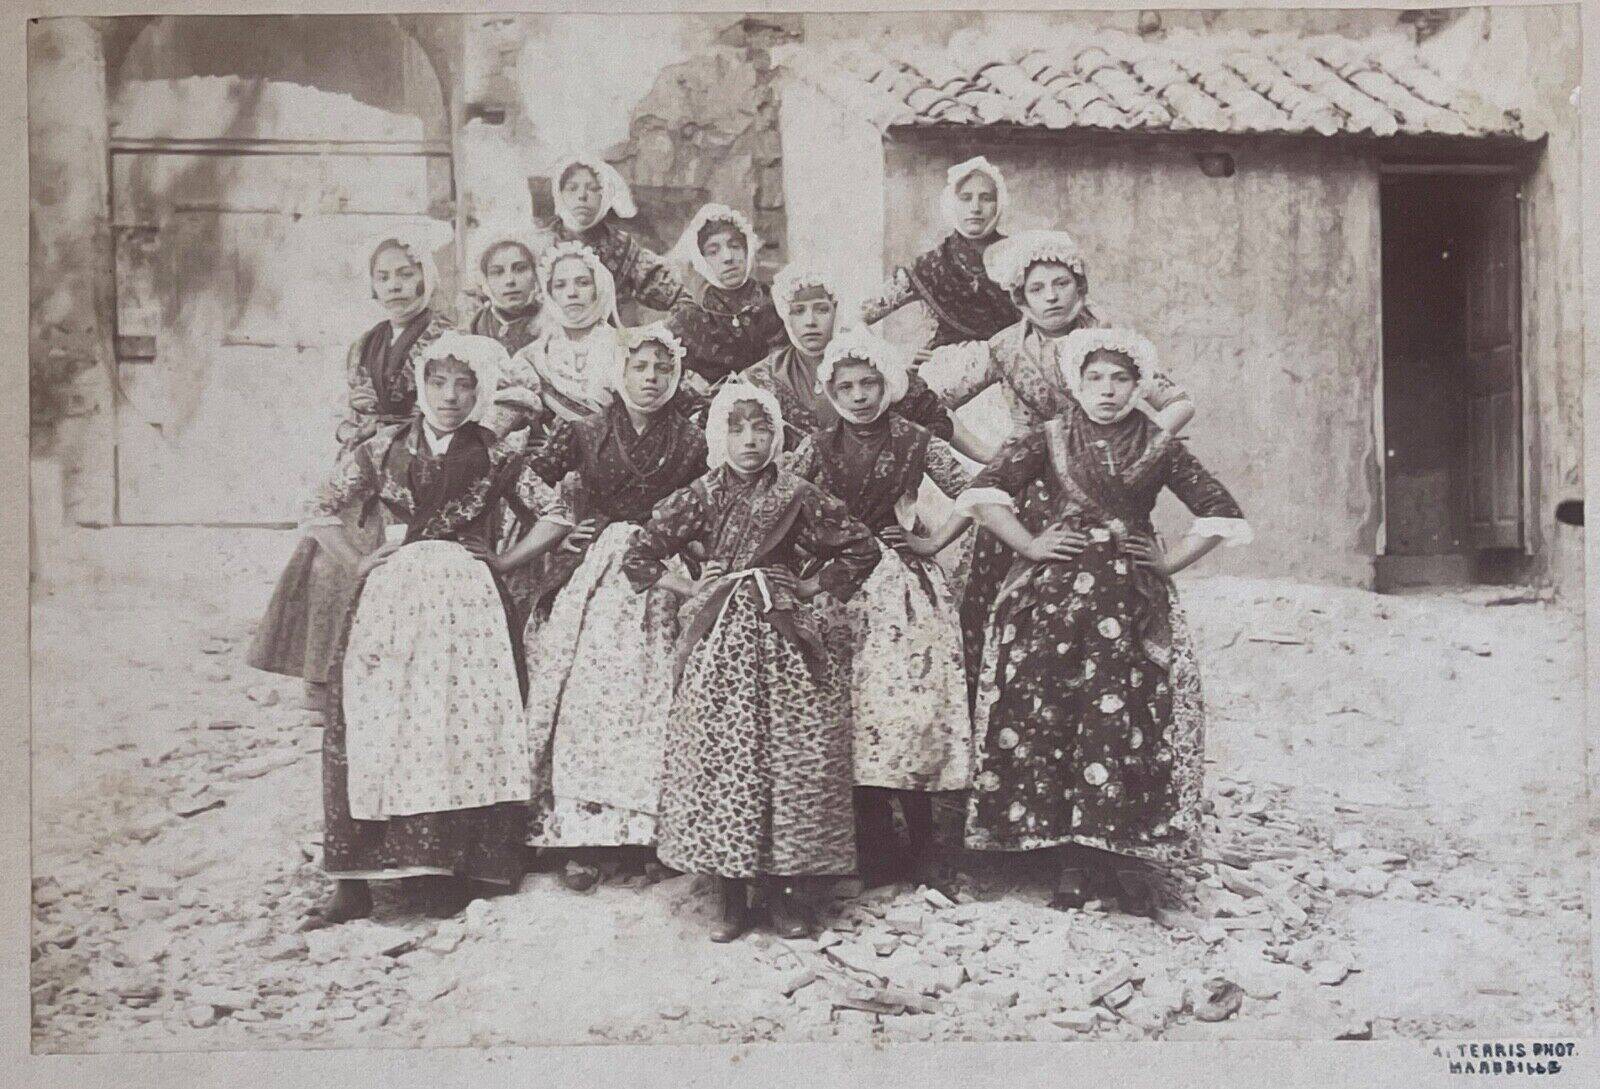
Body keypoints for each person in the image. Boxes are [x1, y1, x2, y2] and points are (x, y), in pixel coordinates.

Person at [952, 328, 1251, 914]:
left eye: (1121, 379)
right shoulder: (1052, 436)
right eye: (1095, 378)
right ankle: (1060, 855)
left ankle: (1114, 851)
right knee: (1054, 709)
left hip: (1129, 600)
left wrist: (1166, 562)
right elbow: (984, 492)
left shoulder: (1159, 443)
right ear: (1076, 381)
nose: (1108, 391)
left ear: (1139, 385)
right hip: (1055, 600)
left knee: (1122, 713)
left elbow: (1220, 511)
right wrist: (1031, 545)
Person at [301, 333, 579, 926]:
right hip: (393, 598)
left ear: (480, 389)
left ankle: (450, 870)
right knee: (377, 721)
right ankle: (355, 880)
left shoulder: (499, 453)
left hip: (468, 605)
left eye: (464, 384)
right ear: (420, 386)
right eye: (438, 382)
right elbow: (320, 508)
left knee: (458, 727)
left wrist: (504, 563)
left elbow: (557, 514)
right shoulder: (382, 448)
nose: (450, 397)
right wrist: (357, 560)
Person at [620, 382, 880, 942]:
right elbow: (639, 553)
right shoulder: (701, 494)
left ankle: (786, 896)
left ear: (778, 436)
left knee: (792, 758)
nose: (750, 441)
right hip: (719, 641)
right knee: (726, 757)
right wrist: (689, 585)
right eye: (737, 429)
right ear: (719, 435)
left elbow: (862, 546)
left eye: (762, 429)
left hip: (784, 635)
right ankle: (730, 897)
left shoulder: (798, 493)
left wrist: (810, 587)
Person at [919, 230, 1196, 701]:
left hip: (1098, 490)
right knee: (998, 605)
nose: (1051, 297)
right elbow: (928, 403)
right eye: (1037, 289)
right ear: (1020, 299)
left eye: (1061, 283)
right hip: (1027, 493)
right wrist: (988, 454)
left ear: (1080, 286)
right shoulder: (1005, 348)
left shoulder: (1108, 342)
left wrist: (1140, 449)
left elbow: (1178, 401)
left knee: (1112, 611)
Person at [506, 324, 707, 879]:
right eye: (641, 367)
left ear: (674, 377)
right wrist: (557, 522)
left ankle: (646, 833)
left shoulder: (693, 439)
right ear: (621, 373)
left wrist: (689, 549)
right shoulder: (586, 429)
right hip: (598, 568)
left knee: (652, 690)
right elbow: (520, 473)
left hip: (659, 573)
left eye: (662, 370)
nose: (650, 379)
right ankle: (580, 836)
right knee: (590, 687)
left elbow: (711, 500)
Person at [786, 329, 975, 890]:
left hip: (903, 589)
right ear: (831, 391)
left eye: (870, 383)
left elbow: (979, 491)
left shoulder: (918, 440)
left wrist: (932, 541)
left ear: (888, 385)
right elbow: (781, 502)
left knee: (910, 711)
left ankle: (924, 847)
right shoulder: (817, 445)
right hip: (841, 590)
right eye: (846, 386)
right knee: (852, 711)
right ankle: (872, 848)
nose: (860, 395)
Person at [249, 234, 453, 705]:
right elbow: (355, 407)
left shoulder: (446, 335)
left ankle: (391, 681)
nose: (396, 286)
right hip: (366, 459)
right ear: (372, 287)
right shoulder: (366, 344)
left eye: (406, 273)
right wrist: (352, 429)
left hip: (420, 457)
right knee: (328, 556)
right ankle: (325, 677)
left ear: (426, 275)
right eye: (384, 277)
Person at [742, 265, 957, 450]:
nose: (810, 321)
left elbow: (933, 415)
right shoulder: (763, 376)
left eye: (821, 309)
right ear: (786, 316)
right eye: (798, 311)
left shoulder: (870, 360)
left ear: (836, 311)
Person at [860, 156, 1019, 352]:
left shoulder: (1020, 257)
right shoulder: (930, 265)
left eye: (986, 198)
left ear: (999, 203)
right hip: (942, 372)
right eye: (966, 198)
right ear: (952, 203)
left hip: (1008, 370)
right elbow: (859, 317)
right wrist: (896, 362)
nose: (976, 208)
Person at [540, 153, 686, 315]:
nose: (582, 196)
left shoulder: (622, 247)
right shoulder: (540, 246)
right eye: (572, 188)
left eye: (593, 189)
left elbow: (674, 295)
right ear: (559, 194)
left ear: (605, 195)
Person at [664, 203, 786, 389]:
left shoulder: (776, 304)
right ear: (701, 261)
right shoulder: (690, 316)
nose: (728, 257)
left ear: (747, 251)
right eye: (713, 252)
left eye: (735, 246)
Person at [509, 242, 626, 424]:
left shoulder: (625, 347)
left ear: (598, 288)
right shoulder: (532, 357)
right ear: (550, 293)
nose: (572, 293)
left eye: (583, 283)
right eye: (560, 285)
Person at [464, 224, 545, 359]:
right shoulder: (475, 325)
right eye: (497, 272)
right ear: (485, 279)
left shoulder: (551, 322)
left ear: (536, 273)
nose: (510, 280)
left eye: (520, 269)